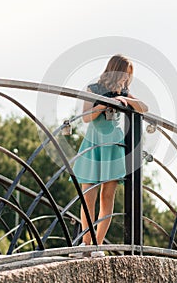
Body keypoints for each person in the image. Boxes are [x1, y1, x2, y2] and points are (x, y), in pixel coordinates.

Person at [72, 54, 148, 257]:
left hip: (113, 146)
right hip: (94, 144)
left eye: (129, 76)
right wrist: (102, 105)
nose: (127, 79)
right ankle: (85, 244)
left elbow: (145, 108)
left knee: (107, 197)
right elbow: (86, 117)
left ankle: (98, 245)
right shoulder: (94, 88)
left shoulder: (124, 91)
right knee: (88, 198)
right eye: (125, 74)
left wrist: (125, 100)